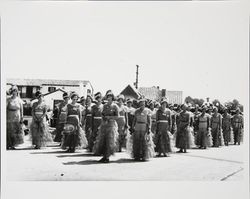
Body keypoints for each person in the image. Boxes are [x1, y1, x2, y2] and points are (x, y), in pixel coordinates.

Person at [93, 90, 119, 163]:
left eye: (110, 97)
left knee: (109, 141)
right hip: (104, 125)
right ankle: (104, 156)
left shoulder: (115, 106)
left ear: (112, 98)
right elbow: (102, 114)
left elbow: (117, 116)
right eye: (108, 97)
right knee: (103, 140)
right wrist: (104, 117)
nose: (109, 98)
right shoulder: (104, 105)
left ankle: (107, 157)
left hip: (111, 125)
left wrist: (109, 118)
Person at [6, 85, 24, 149]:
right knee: (9, 131)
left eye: (16, 91)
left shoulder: (19, 100)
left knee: (15, 131)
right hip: (9, 116)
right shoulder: (8, 99)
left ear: (17, 92)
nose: (14, 92)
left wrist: (22, 117)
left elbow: (22, 109)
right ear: (12, 92)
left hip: (17, 117)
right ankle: (8, 144)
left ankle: (13, 144)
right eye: (13, 91)